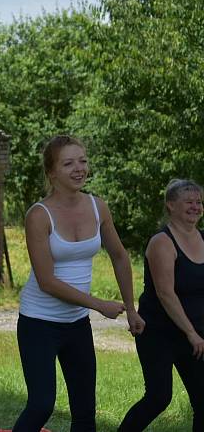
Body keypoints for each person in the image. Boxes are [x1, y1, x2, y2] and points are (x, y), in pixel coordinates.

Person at [13, 135, 145, 432]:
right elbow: (47, 282)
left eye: (83, 161)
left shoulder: (98, 207)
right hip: (39, 322)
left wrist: (131, 308)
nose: (79, 168)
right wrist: (99, 304)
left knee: (85, 412)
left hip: (76, 324)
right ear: (51, 172)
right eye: (68, 163)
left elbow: (120, 257)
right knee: (41, 404)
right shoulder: (39, 215)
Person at [119, 179, 204, 431]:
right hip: (159, 333)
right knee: (159, 397)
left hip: (196, 333)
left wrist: (196, 333)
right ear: (171, 205)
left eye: (199, 202)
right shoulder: (161, 242)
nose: (196, 207)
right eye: (189, 201)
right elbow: (166, 294)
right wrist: (191, 334)